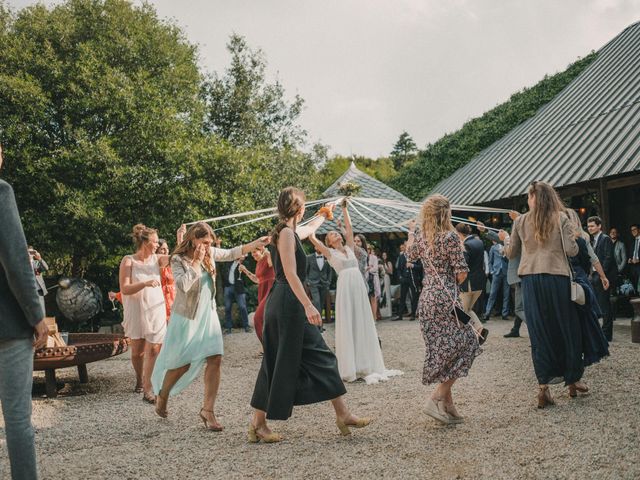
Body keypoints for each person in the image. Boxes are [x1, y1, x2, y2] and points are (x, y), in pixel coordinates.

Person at [250, 188, 370, 442]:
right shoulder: (284, 234)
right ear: (299, 209)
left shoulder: (289, 232)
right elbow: (291, 274)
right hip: (287, 304)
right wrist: (308, 305)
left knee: (312, 357)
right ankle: (341, 414)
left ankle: (341, 414)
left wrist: (324, 214)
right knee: (298, 358)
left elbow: (305, 230)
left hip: (287, 304)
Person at [152, 223, 268, 430]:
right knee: (182, 364)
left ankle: (208, 410)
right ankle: (163, 395)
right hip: (187, 317)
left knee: (215, 358)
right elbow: (182, 286)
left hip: (209, 314)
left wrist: (254, 244)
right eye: (204, 242)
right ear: (193, 239)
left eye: (209, 243)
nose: (207, 246)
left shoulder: (210, 253)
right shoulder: (178, 259)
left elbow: (232, 252)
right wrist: (196, 262)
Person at [505, 181, 582, 409]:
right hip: (556, 277)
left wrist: (505, 241)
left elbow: (512, 253)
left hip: (530, 279)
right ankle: (572, 379)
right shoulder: (561, 219)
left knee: (539, 331)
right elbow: (572, 251)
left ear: (532, 198)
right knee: (566, 327)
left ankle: (543, 388)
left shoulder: (520, 221)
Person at [406, 194, 480, 425]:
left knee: (443, 351)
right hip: (445, 298)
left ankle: (449, 406)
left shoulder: (420, 236)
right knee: (470, 342)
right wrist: (449, 286)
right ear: (446, 213)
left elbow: (409, 256)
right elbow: (461, 272)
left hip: (426, 299)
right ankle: (436, 398)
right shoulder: (450, 237)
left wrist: (412, 231)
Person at [309, 202, 402, 384]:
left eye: (336, 233)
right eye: (331, 235)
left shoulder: (350, 248)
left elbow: (349, 229)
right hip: (345, 288)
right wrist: (321, 217)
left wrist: (344, 209)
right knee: (349, 322)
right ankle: (350, 366)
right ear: (328, 242)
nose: (335, 234)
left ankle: (366, 363)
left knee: (361, 320)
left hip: (358, 287)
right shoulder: (329, 253)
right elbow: (312, 238)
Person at [0, 143, 48, 480]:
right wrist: (36, 314)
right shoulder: (1, 191)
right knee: (17, 419)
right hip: (7, 324)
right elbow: (17, 261)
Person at [119, 224, 171, 403]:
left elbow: (177, 257)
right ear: (145, 242)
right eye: (155, 241)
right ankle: (140, 379)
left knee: (155, 348)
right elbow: (125, 289)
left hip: (155, 307)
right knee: (137, 352)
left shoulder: (158, 259)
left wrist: (182, 237)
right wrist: (145, 283)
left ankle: (148, 386)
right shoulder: (128, 260)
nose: (157, 244)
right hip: (136, 310)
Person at [566, 209, 610, 380]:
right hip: (580, 283)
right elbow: (593, 259)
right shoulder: (582, 238)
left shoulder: (568, 239)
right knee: (585, 321)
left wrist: (603, 276)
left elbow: (594, 259)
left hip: (566, 283)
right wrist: (603, 276)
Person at [479, 212, 526, 338]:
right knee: (520, 305)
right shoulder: (518, 236)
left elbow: (510, 244)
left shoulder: (523, 235)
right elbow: (503, 238)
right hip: (512, 274)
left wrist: (506, 237)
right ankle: (516, 329)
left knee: (520, 308)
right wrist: (486, 230)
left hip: (520, 274)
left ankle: (537, 331)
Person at [455, 223, 488, 344]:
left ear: (459, 234)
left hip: (469, 282)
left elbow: (464, 265)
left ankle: (468, 334)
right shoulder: (478, 242)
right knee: (467, 309)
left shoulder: (466, 245)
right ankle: (479, 329)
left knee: (457, 310)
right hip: (479, 283)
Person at [587, 216, 616, 342]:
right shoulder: (593, 240)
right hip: (594, 276)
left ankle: (607, 334)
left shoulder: (605, 239)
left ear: (599, 226)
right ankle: (600, 332)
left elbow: (608, 258)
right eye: (588, 226)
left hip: (604, 277)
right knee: (598, 305)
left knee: (605, 306)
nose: (590, 228)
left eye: (592, 226)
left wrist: (601, 275)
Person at [241, 247, 275, 343]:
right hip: (262, 290)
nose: (253, 254)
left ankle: (267, 346)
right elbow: (258, 280)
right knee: (265, 320)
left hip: (270, 290)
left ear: (261, 250)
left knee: (258, 318)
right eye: (251, 253)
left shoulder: (268, 257)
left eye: (254, 252)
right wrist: (245, 271)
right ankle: (269, 347)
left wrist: (267, 252)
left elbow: (272, 264)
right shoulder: (258, 263)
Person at [221, 255, 251, 334]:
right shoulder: (229, 262)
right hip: (228, 287)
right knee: (227, 308)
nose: (242, 256)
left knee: (242, 307)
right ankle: (228, 328)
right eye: (241, 254)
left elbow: (248, 275)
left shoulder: (245, 264)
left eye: (243, 255)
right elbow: (222, 263)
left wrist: (243, 265)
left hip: (239, 288)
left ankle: (246, 326)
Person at [482, 239, 510, 321]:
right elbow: (490, 261)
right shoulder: (493, 248)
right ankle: (487, 313)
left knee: (506, 294)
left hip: (506, 272)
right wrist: (491, 271)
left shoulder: (508, 247)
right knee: (492, 293)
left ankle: (505, 314)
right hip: (496, 272)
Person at [305, 244, 332, 326]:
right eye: (317, 246)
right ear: (315, 247)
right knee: (316, 302)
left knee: (321, 303)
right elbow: (305, 270)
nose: (318, 248)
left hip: (324, 284)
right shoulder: (309, 257)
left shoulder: (327, 257)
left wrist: (328, 282)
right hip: (313, 283)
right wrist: (308, 281)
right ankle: (318, 326)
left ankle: (319, 325)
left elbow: (330, 271)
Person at [394, 242, 420, 321]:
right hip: (404, 279)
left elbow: (421, 267)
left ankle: (413, 314)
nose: (406, 247)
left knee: (414, 296)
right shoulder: (401, 256)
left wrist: (413, 265)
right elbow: (398, 269)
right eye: (406, 246)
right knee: (402, 297)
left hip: (413, 279)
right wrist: (400, 277)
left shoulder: (415, 255)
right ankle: (400, 315)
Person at [157, 237, 178, 322]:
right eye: (162, 249)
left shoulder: (171, 264)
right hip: (161, 297)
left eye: (167, 248)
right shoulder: (155, 263)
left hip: (174, 296)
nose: (166, 251)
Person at [28, 246, 48, 314]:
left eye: (32, 252)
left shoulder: (37, 263)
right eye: (28, 252)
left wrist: (39, 258)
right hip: (28, 291)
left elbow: (46, 268)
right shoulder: (23, 265)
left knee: (42, 311)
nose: (30, 254)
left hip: (38, 291)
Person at [365, 244, 381, 319]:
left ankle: (374, 317)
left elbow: (375, 268)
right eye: (366, 248)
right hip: (365, 279)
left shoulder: (374, 257)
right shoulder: (362, 258)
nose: (367, 250)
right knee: (365, 299)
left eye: (369, 249)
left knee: (373, 298)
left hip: (373, 279)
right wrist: (367, 268)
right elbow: (361, 268)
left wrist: (368, 269)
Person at [379, 252, 393, 318]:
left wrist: (385, 268)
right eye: (383, 255)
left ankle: (389, 312)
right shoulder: (380, 263)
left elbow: (391, 272)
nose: (384, 256)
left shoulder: (389, 263)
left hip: (387, 277)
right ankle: (383, 312)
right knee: (382, 293)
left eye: (385, 255)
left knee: (387, 294)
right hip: (381, 279)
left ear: (387, 256)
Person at [627, 224, 640, 291]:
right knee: (634, 284)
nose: (633, 231)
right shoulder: (632, 242)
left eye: (634, 229)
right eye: (632, 230)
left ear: (639, 230)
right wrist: (629, 258)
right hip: (633, 266)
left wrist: (638, 260)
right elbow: (631, 253)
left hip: (639, 265)